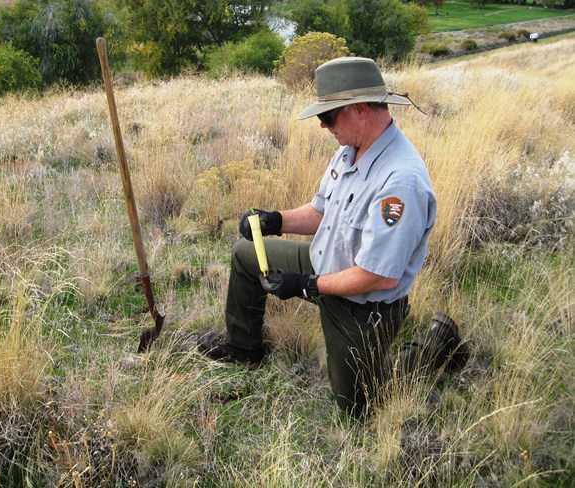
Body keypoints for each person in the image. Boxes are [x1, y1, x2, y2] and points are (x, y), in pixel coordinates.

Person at [197, 57, 468, 416]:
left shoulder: (401, 182)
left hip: (363, 304)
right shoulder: (349, 149)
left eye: (328, 117)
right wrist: (274, 220)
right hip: (325, 264)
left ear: (359, 109)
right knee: (246, 255)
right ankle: (244, 348)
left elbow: (378, 275)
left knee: (358, 406)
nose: (324, 127)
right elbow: (320, 211)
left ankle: (437, 344)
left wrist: (306, 285)